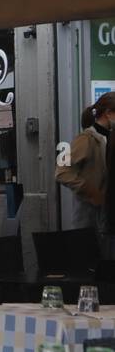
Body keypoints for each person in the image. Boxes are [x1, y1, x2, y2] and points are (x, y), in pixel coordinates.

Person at [57, 93, 114, 255]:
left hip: (107, 217)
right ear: (108, 113)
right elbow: (61, 171)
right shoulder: (83, 139)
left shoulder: (108, 138)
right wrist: (91, 191)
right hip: (92, 217)